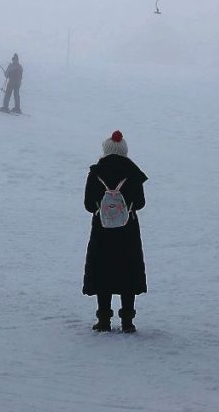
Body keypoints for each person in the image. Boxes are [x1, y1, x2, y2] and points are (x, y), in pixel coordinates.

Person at [83, 130, 148, 333]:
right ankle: (127, 321)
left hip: (102, 230)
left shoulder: (95, 172)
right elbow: (140, 203)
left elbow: (87, 205)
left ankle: (103, 320)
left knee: (103, 271)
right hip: (127, 230)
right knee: (127, 271)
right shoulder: (133, 173)